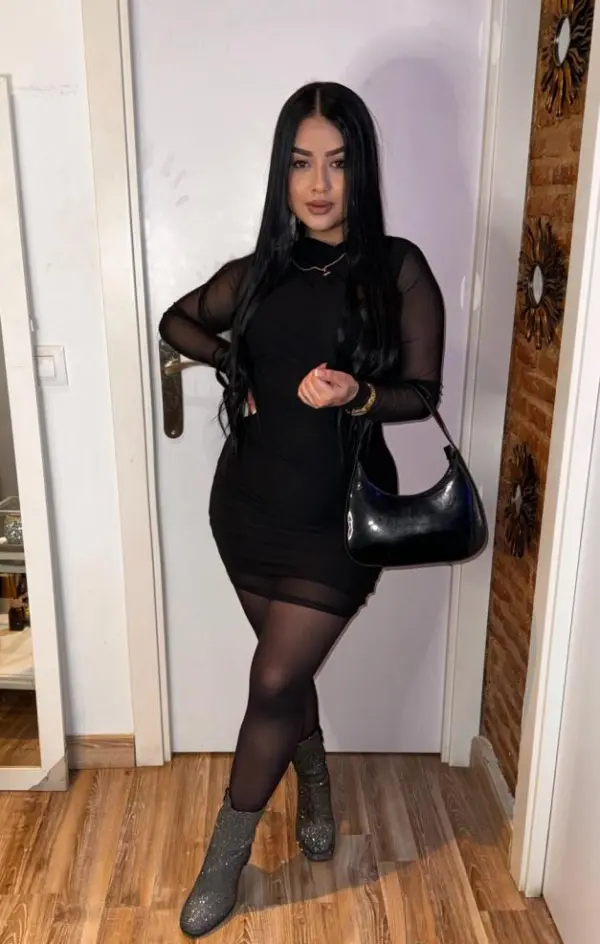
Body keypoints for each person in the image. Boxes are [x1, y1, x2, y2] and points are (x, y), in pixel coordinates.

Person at [159, 81, 445, 938]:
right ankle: (313, 777)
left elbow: (423, 392)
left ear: (362, 170)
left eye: (338, 162)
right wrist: (234, 365)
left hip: (338, 522)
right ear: (282, 173)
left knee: (276, 678)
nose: (319, 184)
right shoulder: (258, 273)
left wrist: (360, 392)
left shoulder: (399, 268)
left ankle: (225, 860)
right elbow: (176, 322)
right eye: (301, 163)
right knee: (286, 677)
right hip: (245, 511)